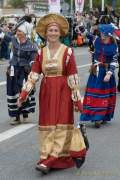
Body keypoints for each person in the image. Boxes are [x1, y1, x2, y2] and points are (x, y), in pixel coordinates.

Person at [17, 13, 87, 174]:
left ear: (60, 33)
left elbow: (72, 77)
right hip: (47, 92)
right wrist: (23, 94)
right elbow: (34, 75)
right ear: (46, 33)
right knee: (47, 123)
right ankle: (47, 155)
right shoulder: (40, 53)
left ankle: (52, 159)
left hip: (64, 91)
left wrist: (77, 100)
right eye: (50, 31)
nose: (53, 33)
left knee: (61, 123)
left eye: (56, 30)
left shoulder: (68, 52)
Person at [80, 24, 118, 128]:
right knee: (94, 94)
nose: (101, 35)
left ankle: (101, 116)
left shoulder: (114, 46)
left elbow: (114, 61)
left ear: (108, 35)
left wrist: (109, 74)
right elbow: (85, 34)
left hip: (106, 73)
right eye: (101, 33)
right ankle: (94, 116)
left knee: (104, 96)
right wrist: (80, 25)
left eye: (103, 33)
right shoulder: (96, 40)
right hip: (96, 72)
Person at [6, 21, 37, 125]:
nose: (18, 33)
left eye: (20, 31)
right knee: (13, 93)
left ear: (25, 32)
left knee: (24, 92)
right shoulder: (14, 41)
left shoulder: (31, 45)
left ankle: (25, 115)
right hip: (13, 71)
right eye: (17, 31)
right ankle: (16, 117)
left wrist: (32, 68)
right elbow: (11, 55)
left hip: (24, 72)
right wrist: (9, 66)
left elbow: (33, 60)